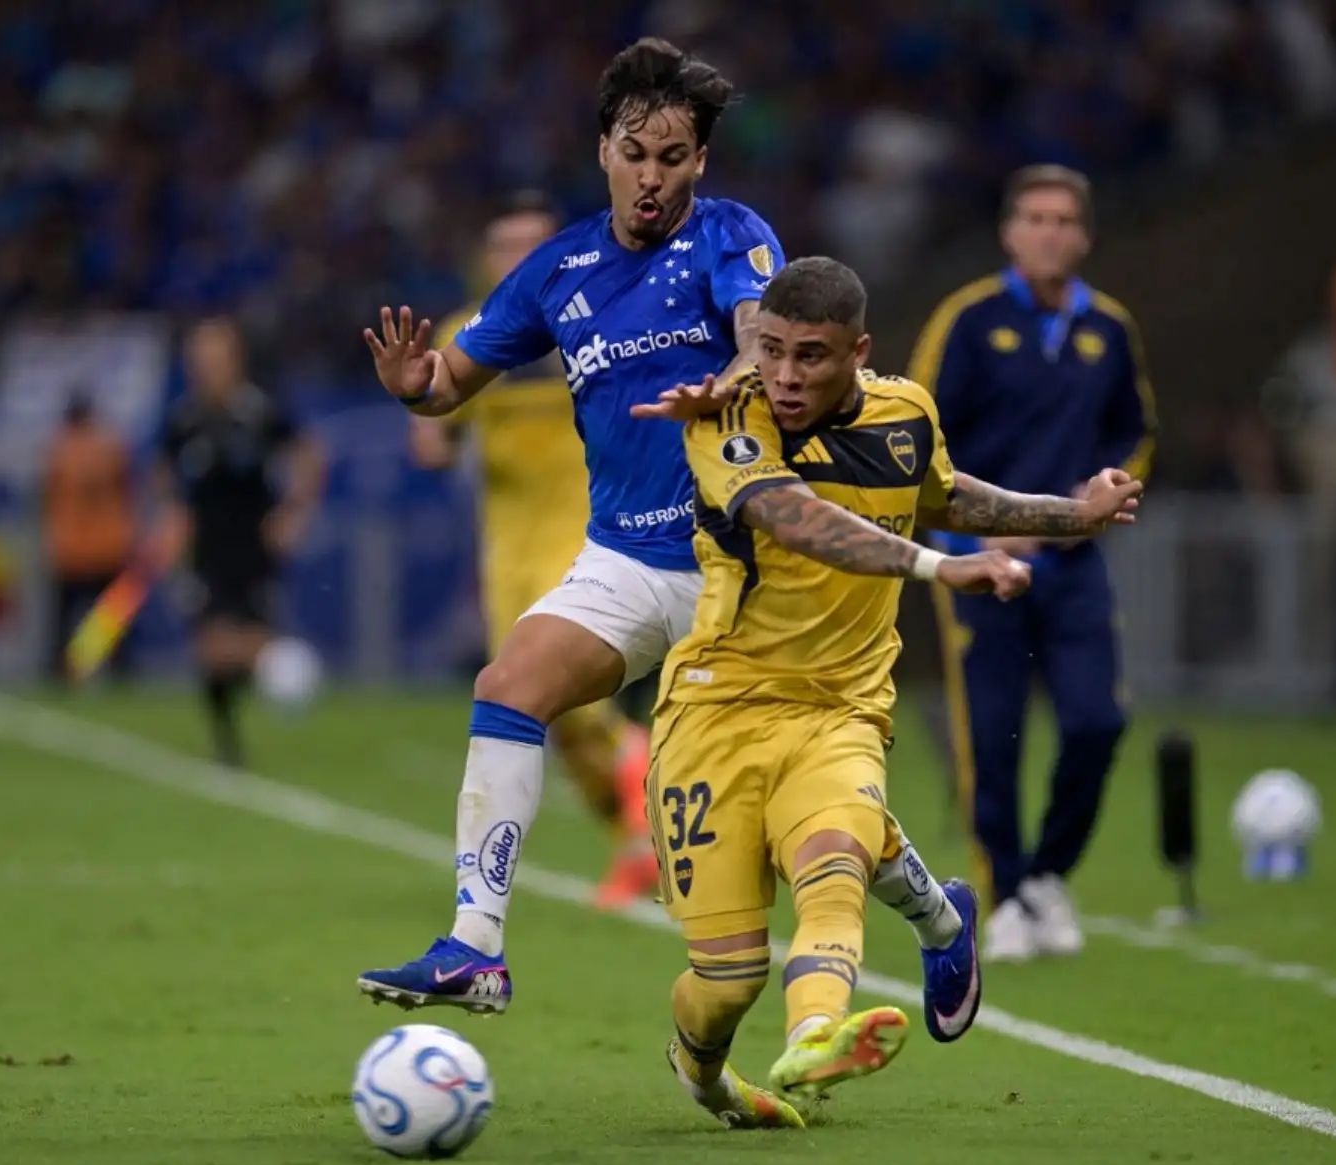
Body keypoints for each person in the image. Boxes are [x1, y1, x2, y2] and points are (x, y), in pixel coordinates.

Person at [355, 39, 972, 1028]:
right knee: (508, 687)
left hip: (738, 561)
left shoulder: (732, 237)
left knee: (792, 801)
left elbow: (753, 339)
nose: (653, 176)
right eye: (637, 153)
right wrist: (412, 389)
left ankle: (940, 922)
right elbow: (448, 385)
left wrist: (729, 381)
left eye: (674, 157)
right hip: (624, 560)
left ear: (701, 164)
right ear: (603, 148)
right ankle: (475, 950)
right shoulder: (559, 270)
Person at [642, 256, 1141, 1126]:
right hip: (716, 710)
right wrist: (940, 570)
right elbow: (800, 519)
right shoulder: (727, 419)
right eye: (773, 352)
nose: (788, 377)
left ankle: (814, 1040)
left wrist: (1071, 514)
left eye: (812, 356)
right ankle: (708, 1069)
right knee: (727, 979)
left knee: (832, 858)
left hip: (841, 708)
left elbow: (943, 494)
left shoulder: (906, 412)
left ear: (858, 351)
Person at [908, 164, 1158, 964]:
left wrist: (1110, 484)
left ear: (1085, 235)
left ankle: (1048, 873)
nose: (1051, 232)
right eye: (1036, 218)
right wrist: (974, 526)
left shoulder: (1110, 329)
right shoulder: (970, 319)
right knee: (994, 737)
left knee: (1098, 722)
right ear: (1010, 232)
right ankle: (1005, 892)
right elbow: (914, 431)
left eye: (1065, 220)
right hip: (981, 563)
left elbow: (1137, 430)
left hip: (1074, 564)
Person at [412, 192, 657, 908]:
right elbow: (432, 437)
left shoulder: (596, 321)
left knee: (572, 701)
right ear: (484, 259)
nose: (517, 259)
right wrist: (420, 407)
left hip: (588, 540)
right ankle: (634, 840)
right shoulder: (474, 334)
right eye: (503, 246)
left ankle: (652, 825)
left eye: (532, 244)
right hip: (507, 555)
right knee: (538, 712)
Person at [154, 316, 325, 766]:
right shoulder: (185, 419)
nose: (206, 369)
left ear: (235, 361)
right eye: (199, 360)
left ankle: (280, 668)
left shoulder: (259, 411)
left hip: (255, 547)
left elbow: (309, 455)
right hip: (204, 548)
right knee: (210, 647)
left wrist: (293, 514)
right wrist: (173, 515)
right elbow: (162, 473)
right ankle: (232, 733)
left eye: (215, 359)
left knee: (244, 638)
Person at [43, 392, 136, 681]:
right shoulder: (110, 446)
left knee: (65, 620)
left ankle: (67, 672)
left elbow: (47, 497)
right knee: (110, 618)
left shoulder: (60, 449)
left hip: (71, 548)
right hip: (108, 545)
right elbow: (126, 488)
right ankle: (116, 671)